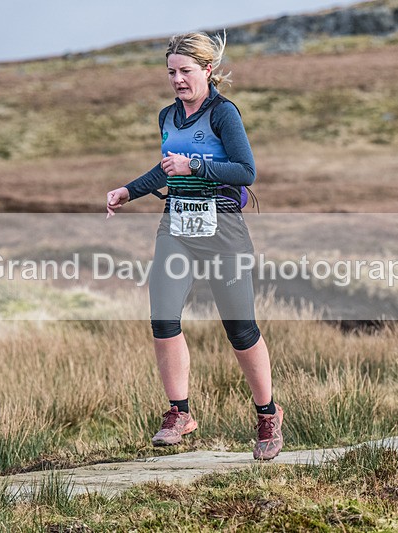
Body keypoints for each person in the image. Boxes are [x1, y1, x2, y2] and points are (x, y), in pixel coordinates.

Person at [105, 31, 283, 461]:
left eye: (186, 71)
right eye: (171, 72)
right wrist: (129, 190)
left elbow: (245, 171)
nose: (178, 80)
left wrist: (196, 164)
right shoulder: (167, 116)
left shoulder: (224, 114)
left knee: (240, 330)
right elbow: (167, 167)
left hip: (222, 228)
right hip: (177, 225)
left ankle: (267, 414)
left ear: (207, 69)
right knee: (163, 317)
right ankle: (179, 412)